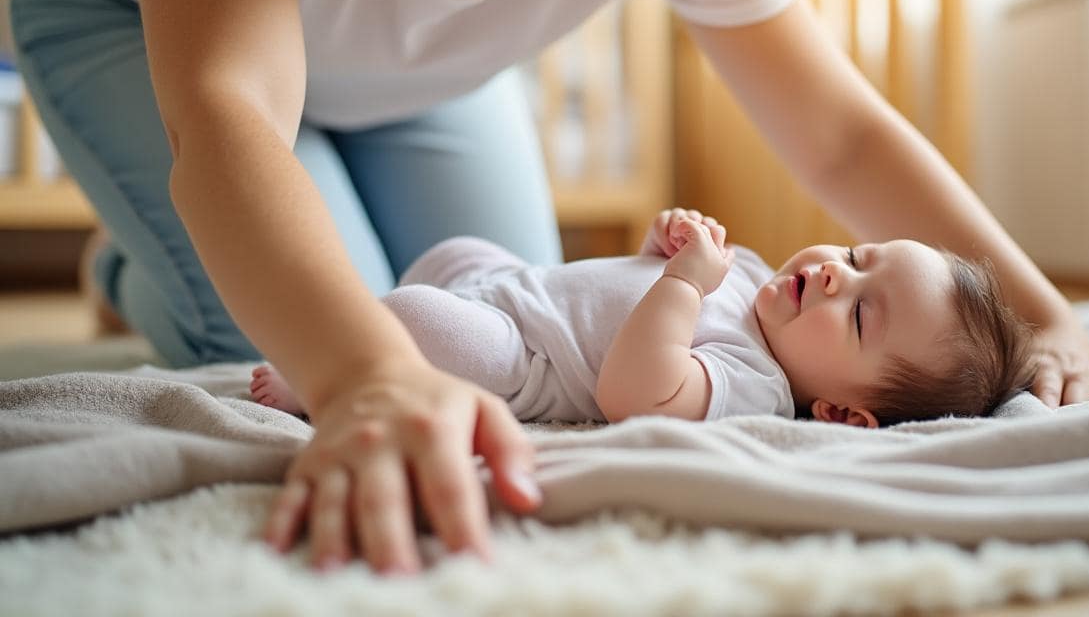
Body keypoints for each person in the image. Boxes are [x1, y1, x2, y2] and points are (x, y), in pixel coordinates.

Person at [9, 0, 1089, 574]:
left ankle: (219, 233)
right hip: (139, 15)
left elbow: (839, 135)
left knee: (514, 333)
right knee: (315, 340)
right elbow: (232, 120)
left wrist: (1041, 311)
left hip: (423, 75)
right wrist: (363, 381)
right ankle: (137, 264)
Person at [252, 208, 1037, 427]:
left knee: (430, 322)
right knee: (454, 245)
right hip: (516, 282)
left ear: (839, 412)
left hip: (522, 354)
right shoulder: (759, 275)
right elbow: (623, 288)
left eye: (862, 315)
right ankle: (375, 319)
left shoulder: (752, 383)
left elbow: (634, 387)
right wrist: (661, 246)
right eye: (860, 257)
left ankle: (322, 373)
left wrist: (687, 284)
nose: (836, 272)